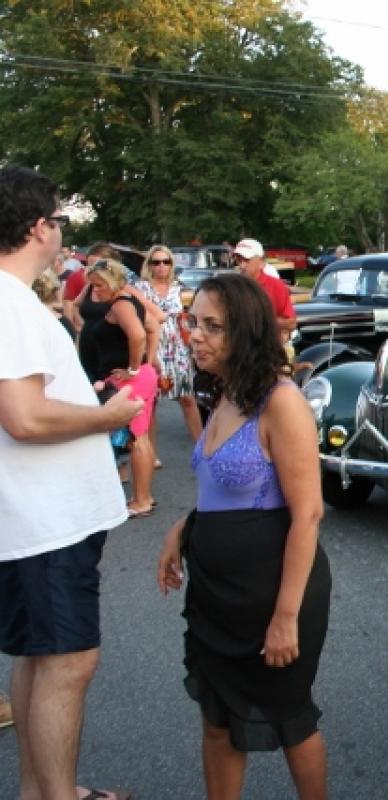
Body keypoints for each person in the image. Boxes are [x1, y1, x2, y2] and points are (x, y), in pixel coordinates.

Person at [156, 272, 331, 799]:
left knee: (289, 718)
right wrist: (182, 528)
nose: (196, 335)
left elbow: (308, 515)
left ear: (247, 332)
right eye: (194, 322)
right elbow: (223, 489)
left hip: (271, 592)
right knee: (216, 718)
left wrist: (284, 618)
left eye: (214, 326)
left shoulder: (281, 401)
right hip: (215, 591)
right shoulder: (224, 391)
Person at [0, 164, 142, 800]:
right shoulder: (8, 306)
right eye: (59, 219)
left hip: (35, 521)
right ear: (38, 227)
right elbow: (25, 418)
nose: (63, 231)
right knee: (67, 662)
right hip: (44, 524)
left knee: (38, 657)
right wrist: (107, 416)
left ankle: (42, 790)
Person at [79, 258, 160, 517]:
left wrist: (134, 368)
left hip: (131, 378)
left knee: (136, 438)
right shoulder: (127, 299)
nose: (96, 291)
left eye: (100, 285)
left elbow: (138, 334)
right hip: (138, 376)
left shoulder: (122, 303)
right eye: (93, 286)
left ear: (113, 281)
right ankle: (143, 497)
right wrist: (148, 362)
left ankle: (141, 500)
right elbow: (152, 325)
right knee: (140, 437)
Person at [136, 245, 203, 443]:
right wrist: (149, 353)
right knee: (152, 402)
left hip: (178, 349)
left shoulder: (178, 288)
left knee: (188, 398)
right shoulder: (141, 288)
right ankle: (150, 453)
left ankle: (202, 448)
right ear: (149, 265)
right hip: (153, 346)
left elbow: (190, 318)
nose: (161, 266)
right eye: (156, 262)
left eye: (166, 262)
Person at [232, 238, 296, 341]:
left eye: (246, 260)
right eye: (239, 260)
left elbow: (291, 323)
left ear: (261, 262)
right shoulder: (232, 287)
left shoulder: (276, 286)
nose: (242, 265)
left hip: (268, 350)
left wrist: (262, 321)